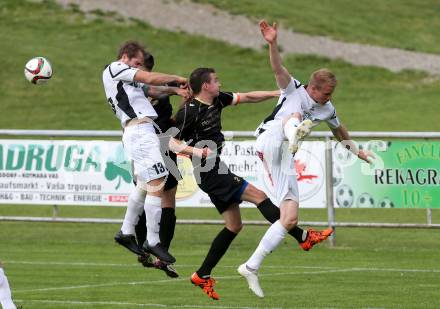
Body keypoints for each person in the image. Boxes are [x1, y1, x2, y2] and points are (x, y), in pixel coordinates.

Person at [237, 20, 372, 298]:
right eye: (325, 93)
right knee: (292, 117)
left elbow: (338, 130)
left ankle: (251, 266)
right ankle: (295, 130)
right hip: (270, 138)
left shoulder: (327, 108)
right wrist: (272, 43)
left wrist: (357, 151)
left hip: (284, 154)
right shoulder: (293, 89)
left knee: (289, 218)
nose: (329, 98)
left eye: (330, 95)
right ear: (312, 87)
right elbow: (277, 68)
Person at [174, 67, 331, 300]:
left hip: (215, 167)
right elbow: (170, 142)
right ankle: (303, 237)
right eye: (215, 80)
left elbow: (246, 97)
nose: (219, 82)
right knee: (259, 197)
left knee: (234, 226)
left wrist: (276, 93)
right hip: (208, 170)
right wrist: (196, 150)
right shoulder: (189, 110)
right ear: (205, 86)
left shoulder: (217, 99)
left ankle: (202, 275)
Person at [102, 40, 189, 264]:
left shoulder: (126, 79)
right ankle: (152, 240)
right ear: (124, 58)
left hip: (140, 130)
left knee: (144, 185)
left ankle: (126, 232)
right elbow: (149, 79)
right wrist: (177, 78)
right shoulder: (114, 68)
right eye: (137, 63)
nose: (140, 68)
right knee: (157, 181)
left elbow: (150, 89)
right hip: (139, 130)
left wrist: (173, 90)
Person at [133, 51, 185, 278]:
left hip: (147, 147)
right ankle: (159, 252)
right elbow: (184, 99)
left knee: (148, 196)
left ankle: (146, 250)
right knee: (163, 199)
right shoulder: (162, 87)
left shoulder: (132, 87)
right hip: (159, 145)